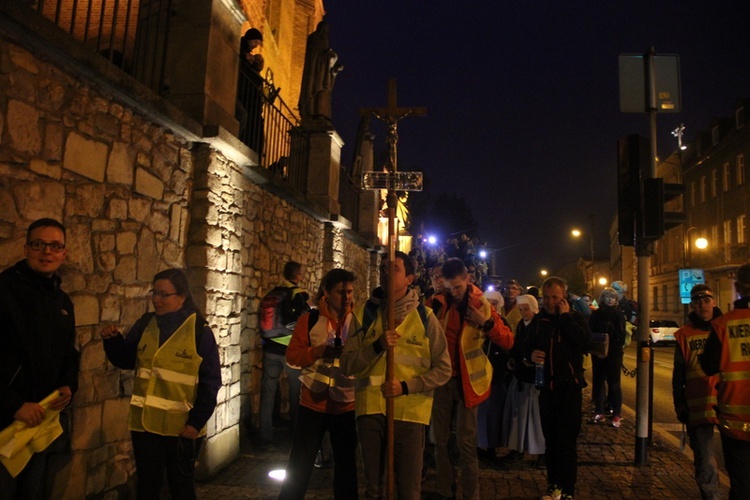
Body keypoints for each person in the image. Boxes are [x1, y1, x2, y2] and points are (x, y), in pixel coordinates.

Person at [100, 268, 221, 499]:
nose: (156, 299)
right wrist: (113, 342)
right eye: (154, 293)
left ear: (181, 297)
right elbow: (127, 359)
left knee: (181, 489)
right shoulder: (146, 323)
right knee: (147, 487)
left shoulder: (199, 332)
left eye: (163, 294)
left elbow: (211, 382)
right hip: (145, 426)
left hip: (181, 429)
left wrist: (196, 423)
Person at [340, 251, 451, 500]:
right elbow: (347, 365)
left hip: (410, 415)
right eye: (382, 268)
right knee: (374, 488)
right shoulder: (363, 314)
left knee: (409, 490)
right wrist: (376, 346)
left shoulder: (426, 318)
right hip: (370, 412)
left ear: (410, 278)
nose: (386, 272)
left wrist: (406, 387)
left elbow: (444, 369)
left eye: (394, 268)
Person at [0, 218, 79, 499]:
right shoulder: (4, 291)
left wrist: (68, 385)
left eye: (55, 246)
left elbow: (68, 353)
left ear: (63, 253)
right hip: (7, 423)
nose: (47, 252)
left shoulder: (61, 301)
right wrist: (15, 404)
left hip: (40, 422)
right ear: (26, 249)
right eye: (39, 244)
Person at [430, 258, 514, 500]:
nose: (454, 292)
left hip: (469, 384)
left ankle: (470, 494)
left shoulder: (483, 306)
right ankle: (444, 490)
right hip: (443, 379)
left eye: (458, 287)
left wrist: (485, 323)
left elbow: (508, 341)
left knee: (466, 443)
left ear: (467, 279)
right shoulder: (437, 303)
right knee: (441, 440)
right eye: (449, 287)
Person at [279, 269, 359, 499]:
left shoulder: (358, 321)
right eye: (340, 292)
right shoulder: (310, 319)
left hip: (345, 403)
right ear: (326, 292)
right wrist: (317, 351)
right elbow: (293, 357)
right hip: (312, 403)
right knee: (299, 466)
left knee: (346, 469)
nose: (346, 298)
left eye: (350, 292)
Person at [529, 276, 591, 500]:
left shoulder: (575, 318)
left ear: (563, 297)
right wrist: (530, 355)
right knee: (551, 442)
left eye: (554, 297)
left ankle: (568, 490)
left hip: (570, 390)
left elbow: (585, 343)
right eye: (546, 297)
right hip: (546, 390)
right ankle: (553, 485)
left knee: (567, 443)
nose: (549, 301)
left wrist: (565, 318)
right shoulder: (539, 321)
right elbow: (524, 347)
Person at [701, 263, 750, 500]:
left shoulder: (723, 324)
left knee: (741, 485)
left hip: (736, 423)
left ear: (738, 288)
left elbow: (708, 366)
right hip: (734, 422)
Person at [672, 284, 722, 500]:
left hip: (730, 404)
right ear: (692, 304)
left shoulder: (726, 328)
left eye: (706, 300)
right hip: (698, 408)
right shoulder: (684, 335)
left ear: (714, 301)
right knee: (705, 460)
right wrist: (679, 404)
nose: (703, 305)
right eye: (698, 301)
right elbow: (678, 374)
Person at [258, 261, 310, 450]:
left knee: (268, 394)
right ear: (298, 275)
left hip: (270, 349)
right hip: (291, 351)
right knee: (296, 393)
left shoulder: (271, 294)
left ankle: (265, 438)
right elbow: (306, 320)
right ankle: (295, 435)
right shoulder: (298, 294)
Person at [501, 294, 546, 468]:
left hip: (534, 379)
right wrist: (514, 358)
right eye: (521, 310)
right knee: (518, 417)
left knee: (537, 418)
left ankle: (541, 451)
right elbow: (518, 346)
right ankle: (517, 448)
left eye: (526, 309)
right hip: (522, 377)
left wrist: (529, 358)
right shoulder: (521, 325)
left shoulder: (540, 326)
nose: (523, 312)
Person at [476, 290, 511, 461]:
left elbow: (508, 345)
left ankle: (492, 447)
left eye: (494, 303)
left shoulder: (502, 323)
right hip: (478, 376)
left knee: (494, 415)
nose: (491, 306)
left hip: (496, 376)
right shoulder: (475, 320)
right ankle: (479, 444)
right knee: (480, 415)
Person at [588, 287, 627, 428]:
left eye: (613, 297)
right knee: (598, 383)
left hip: (614, 354)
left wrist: (611, 332)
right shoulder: (596, 314)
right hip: (599, 353)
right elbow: (590, 332)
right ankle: (599, 411)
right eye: (608, 297)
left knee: (614, 384)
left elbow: (621, 335)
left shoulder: (618, 314)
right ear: (602, 298)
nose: (610, 299)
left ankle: (616, 414)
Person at [298, 21, 343, 125]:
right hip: (315, 75)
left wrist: (335, 69)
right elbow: (314, 58)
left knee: (323, 95)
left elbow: (328, 66)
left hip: (323, 76)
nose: (326, 33)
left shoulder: (324, 43)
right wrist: (327, 57)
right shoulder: (314, 39)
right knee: (314, 92)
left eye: (327, 31)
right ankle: (311, 113)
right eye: (325, 30)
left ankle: (321, 115)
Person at [236, 28, 265, 157]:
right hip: (242, 90)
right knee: (243, 115)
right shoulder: (240, 46)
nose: (255, 46)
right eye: (255, 42)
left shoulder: (248, 53)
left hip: (249, 94)